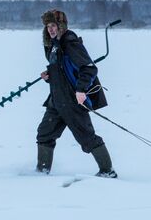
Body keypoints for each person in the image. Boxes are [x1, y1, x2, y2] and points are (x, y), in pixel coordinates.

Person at [36, 9, 117, 178]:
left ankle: (107, 171)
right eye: (48, 26)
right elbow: (64, 71)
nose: (50, 29)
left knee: (86, 137)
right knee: (44, 134)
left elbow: (89, 68)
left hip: (72, 102)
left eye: (53, 25)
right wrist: (49, 76)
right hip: (56, 101)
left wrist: (81, 90)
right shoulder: (53, 46)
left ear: (61, 26)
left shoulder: (70, 43)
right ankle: (41, 173)